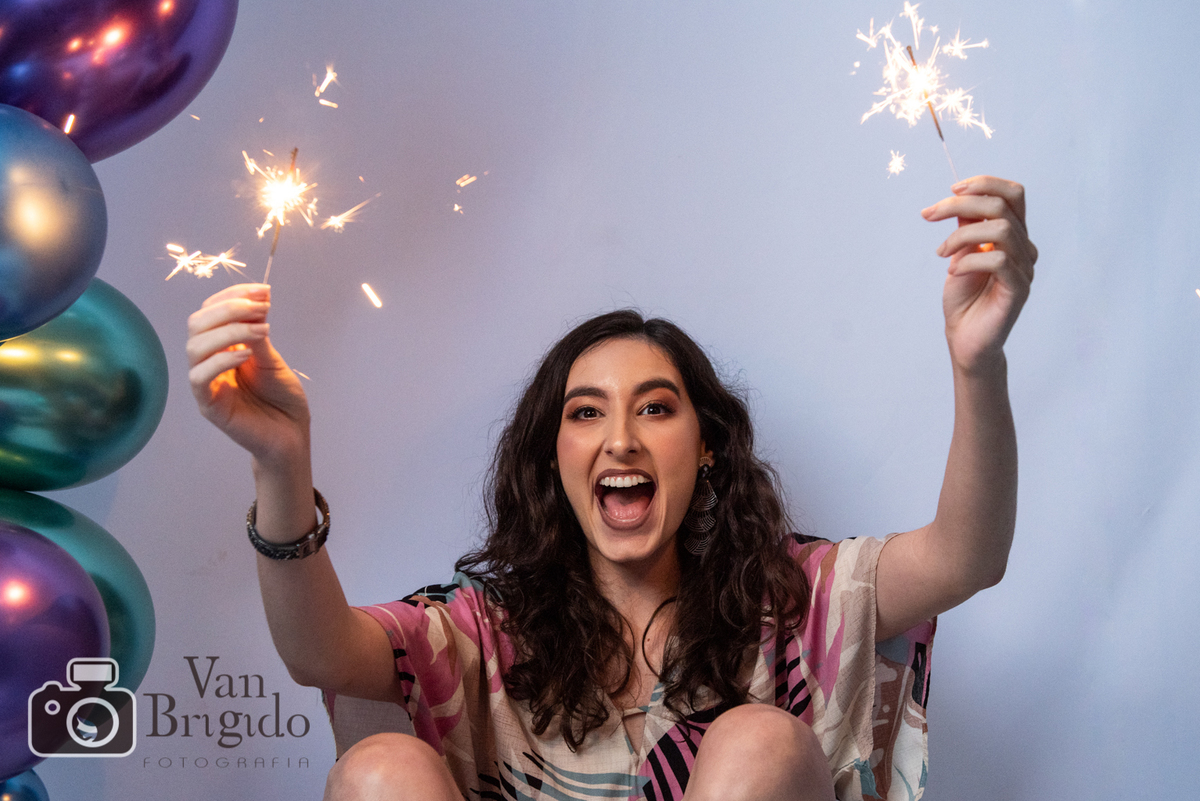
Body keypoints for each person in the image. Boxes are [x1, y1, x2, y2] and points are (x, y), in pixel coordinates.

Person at [185, 176, 1036, 801]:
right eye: (586, 412)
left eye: (655, 408)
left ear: (706, 446)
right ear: (552, 460)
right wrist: (280, 463)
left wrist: (978, 362)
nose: (621, 438)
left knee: (760, 740)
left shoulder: (794, 598)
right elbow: (320, 652)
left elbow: (966, 556)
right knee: (378, 766)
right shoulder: (485, 631)